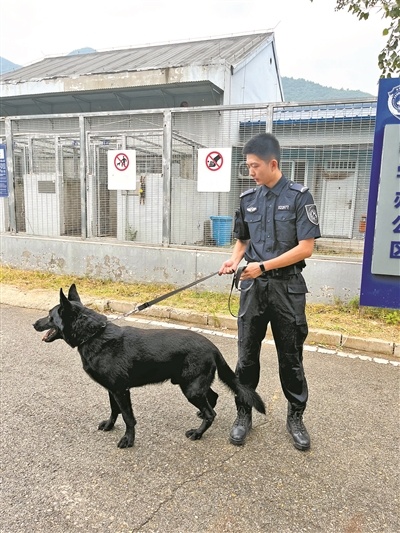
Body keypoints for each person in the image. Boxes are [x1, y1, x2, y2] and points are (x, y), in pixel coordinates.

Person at [219, 132, 321, 451]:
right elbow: (243, 240)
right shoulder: (247, 199)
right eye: (247, 166)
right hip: (253, 288)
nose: (250, 171)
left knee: (290, 358)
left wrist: (263, 266)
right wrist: (234, 259)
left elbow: (306, 248)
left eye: (254, 166)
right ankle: (243, 415)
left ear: (272, 163)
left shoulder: (300, 196)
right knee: (246, 356)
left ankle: (295, 418)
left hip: (287, 289)